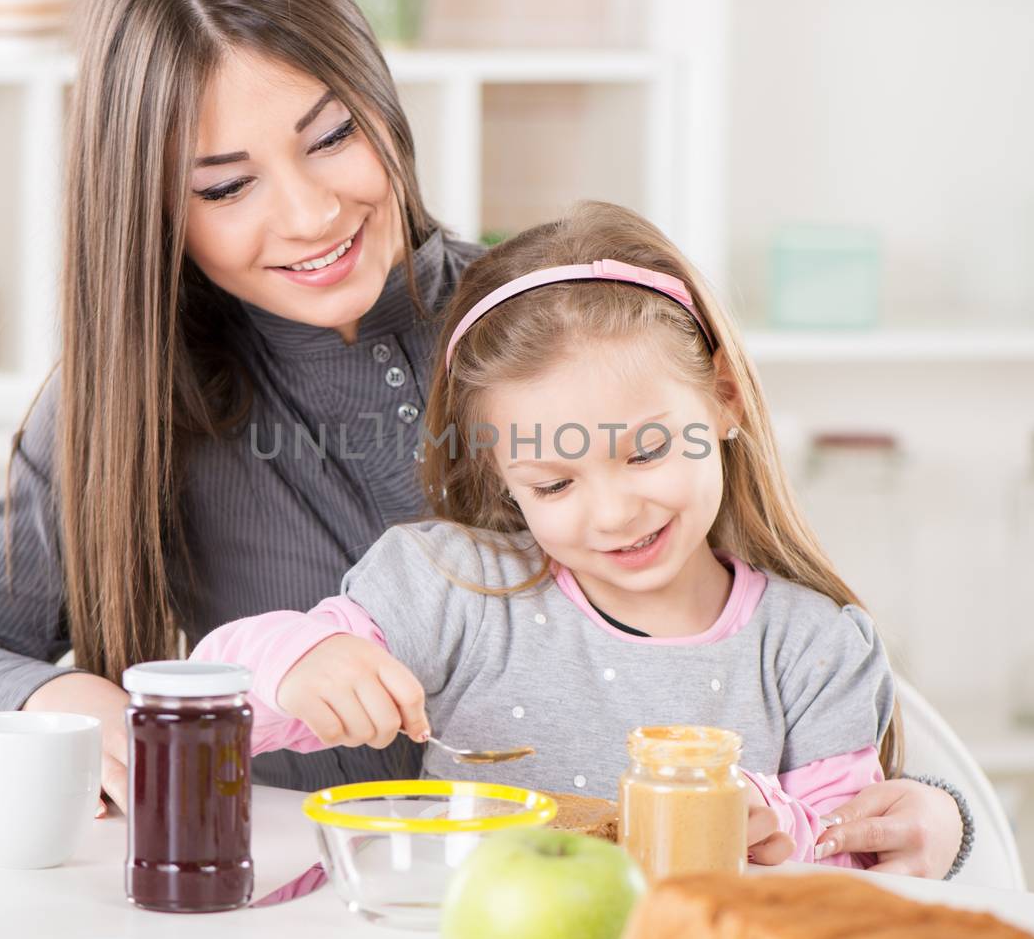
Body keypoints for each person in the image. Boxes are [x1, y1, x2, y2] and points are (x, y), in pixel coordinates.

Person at [0, 0, 969, 878]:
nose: (308, 213)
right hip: (307, 912)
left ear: (380, 101)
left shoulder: (545, 326)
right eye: (227, 185)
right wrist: (56, 698)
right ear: (155, 211)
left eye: (331, 137)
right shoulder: (129, 401)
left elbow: (776, 652)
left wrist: (930, 812)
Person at [194, 201, 895, 867]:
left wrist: (782, 827)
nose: (614, 512)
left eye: (646, 452)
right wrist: (300, 664)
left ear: (725, 398)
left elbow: (862, 860)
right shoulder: (453, 589)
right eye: (554, 484)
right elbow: (208, 700)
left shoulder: (814, 648)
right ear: (502, 477)